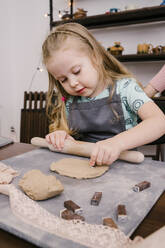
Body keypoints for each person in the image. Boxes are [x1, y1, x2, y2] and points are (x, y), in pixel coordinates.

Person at [42, 23, 165, 167]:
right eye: (63, 80)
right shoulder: (70, 100)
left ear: (96, 57)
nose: (73, 83)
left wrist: (116, 143)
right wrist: (61, 137)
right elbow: (73, 142)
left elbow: (159, 122)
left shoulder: (125, 88)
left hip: (124, 170)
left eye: (76, 71)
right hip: (85, 168)